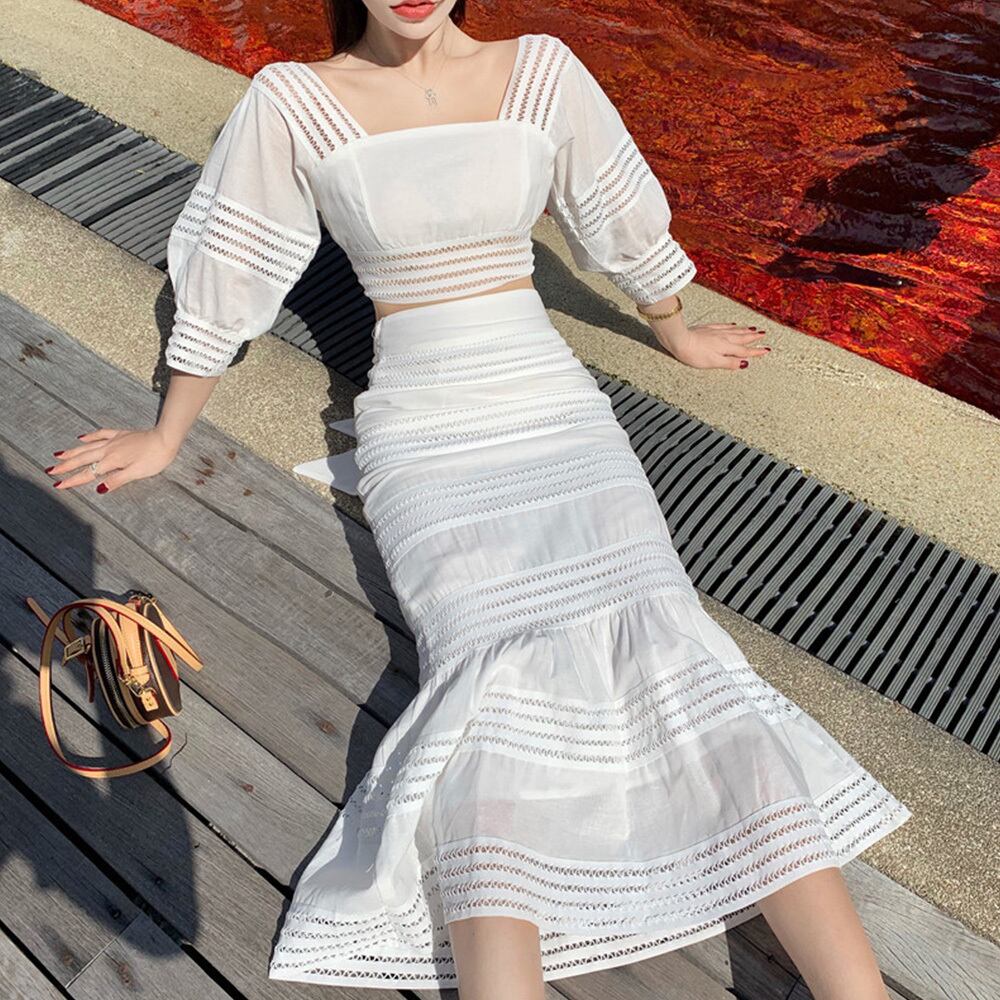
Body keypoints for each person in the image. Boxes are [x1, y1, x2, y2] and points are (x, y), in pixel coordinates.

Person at [45, 2, 911, 998]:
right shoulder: (292, 100)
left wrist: (672, 327)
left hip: (556, 412)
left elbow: (611, 201)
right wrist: (166, 432)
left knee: (675, 645)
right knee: (485, 682)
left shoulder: (540, 68)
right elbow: (230, 266)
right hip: (426, 432)